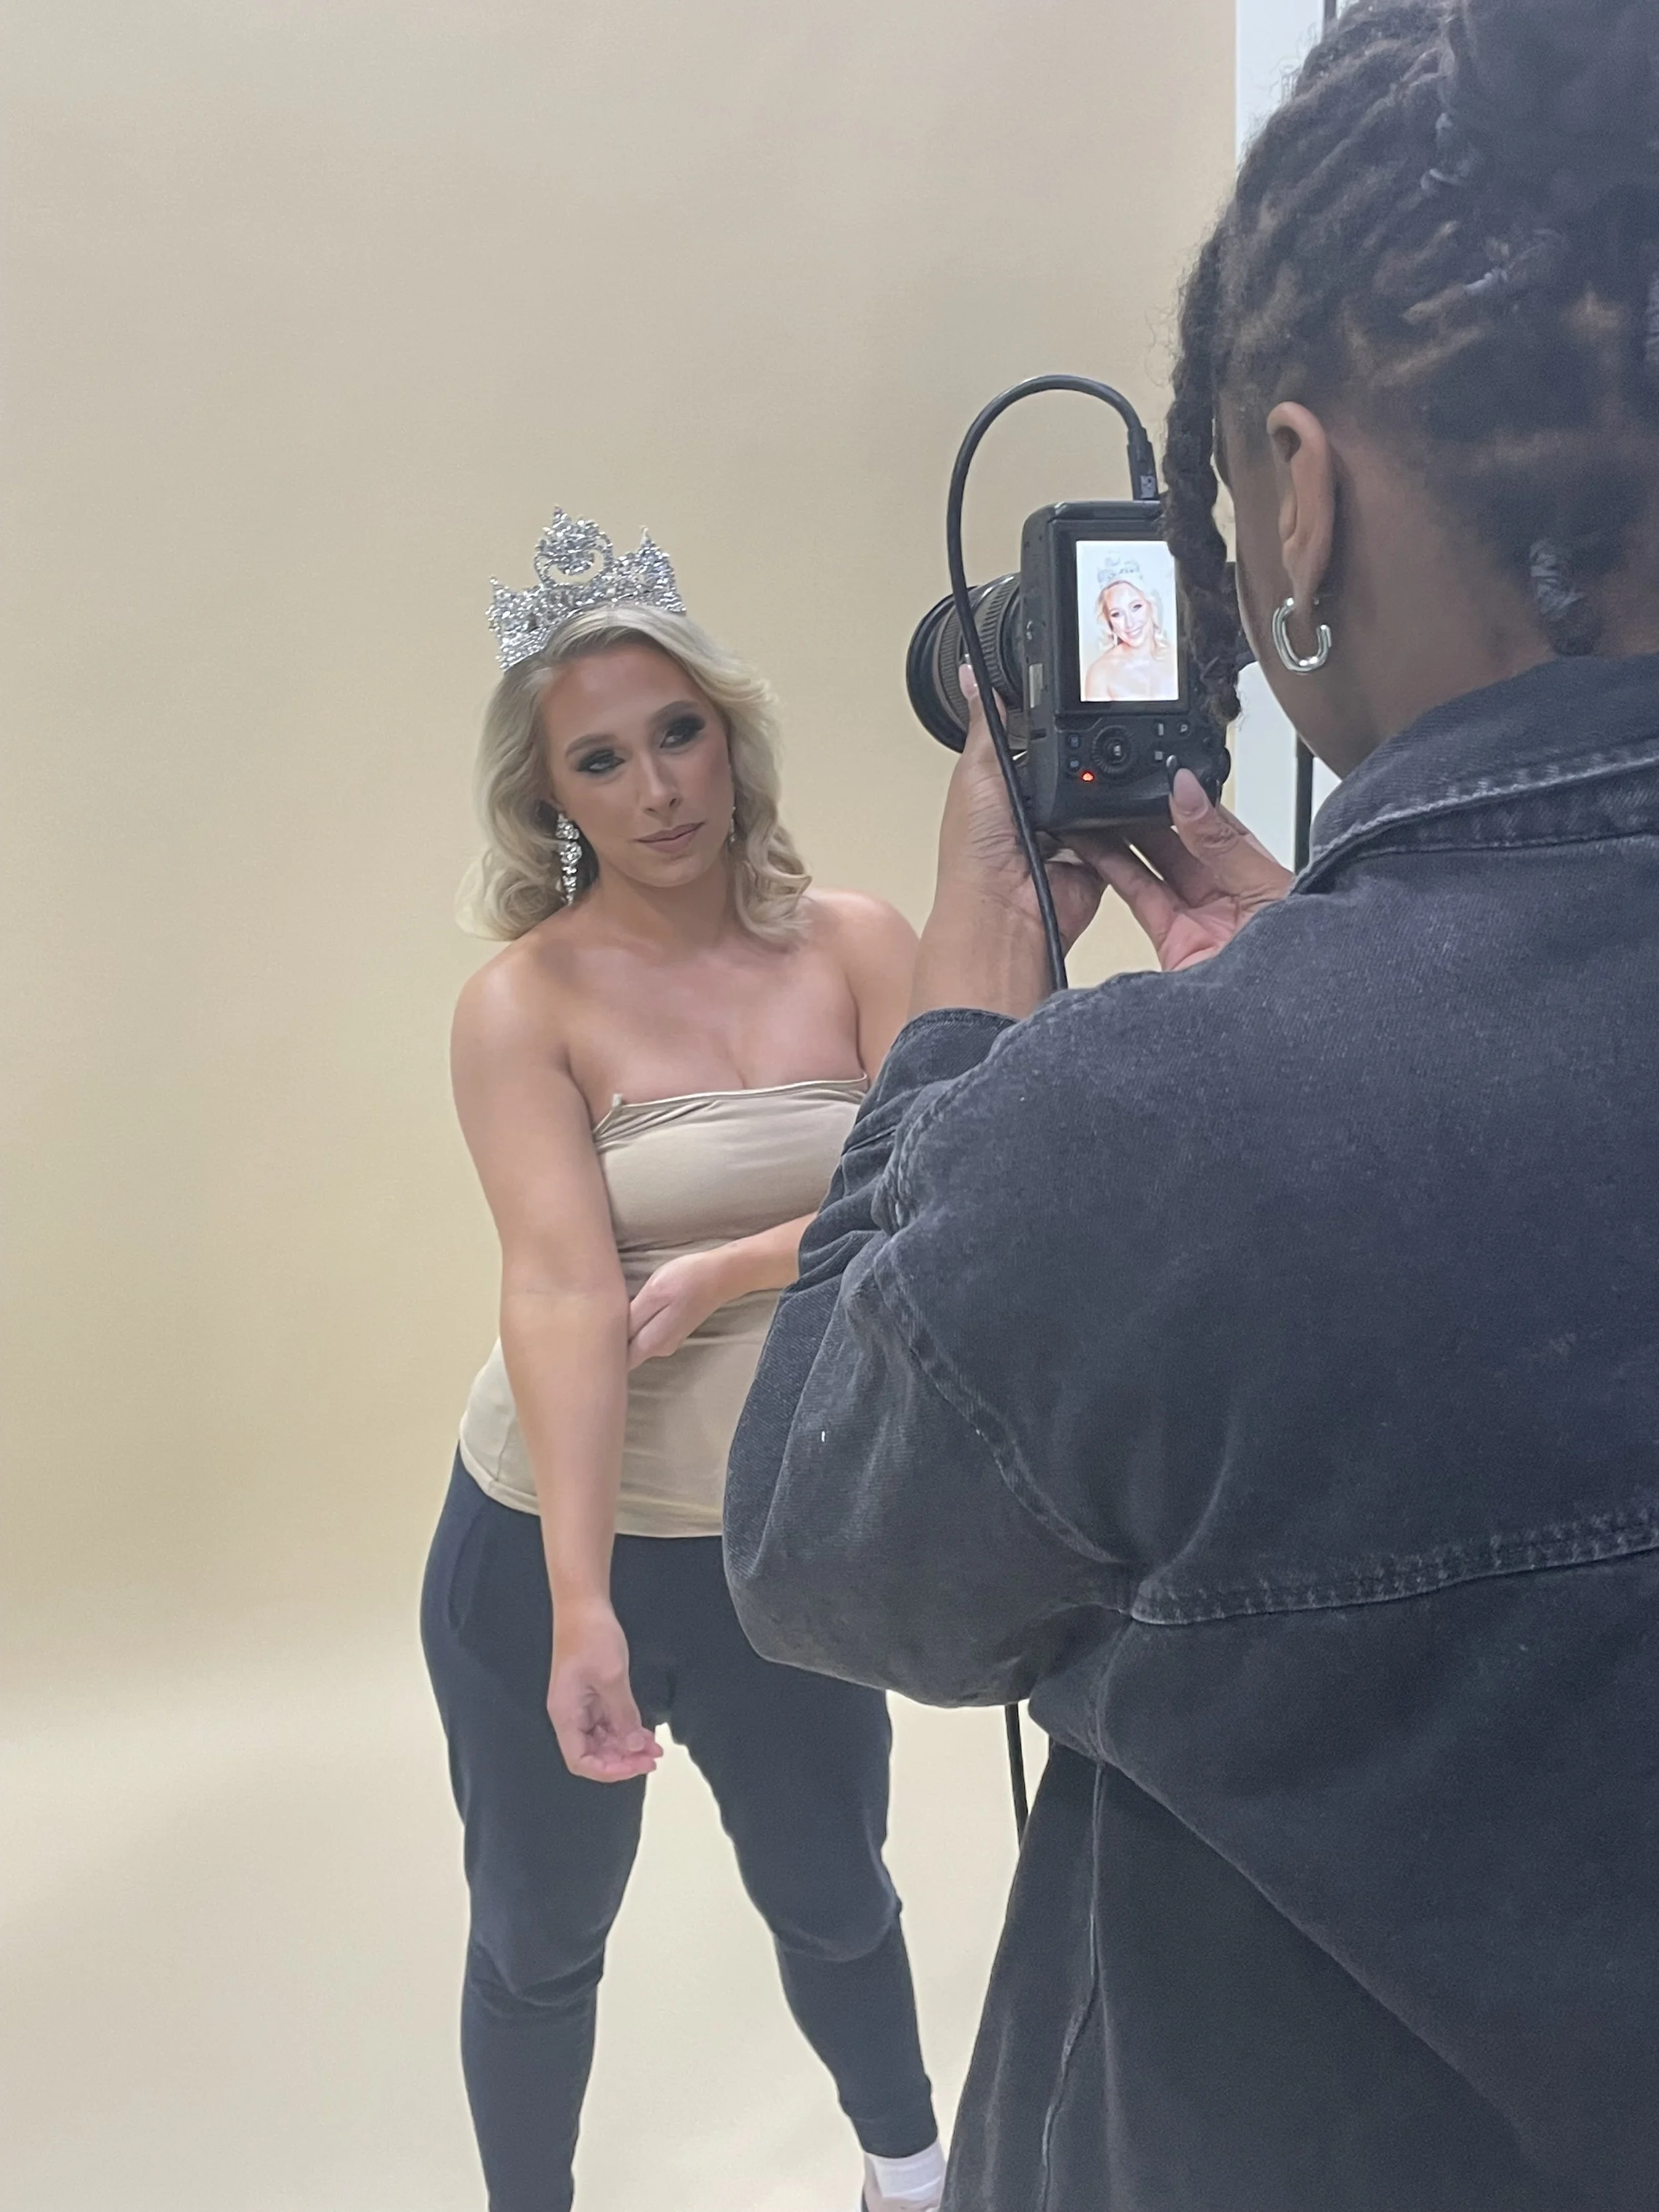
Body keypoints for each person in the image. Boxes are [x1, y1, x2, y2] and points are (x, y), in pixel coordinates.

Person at [724, 3, 1659, 2207]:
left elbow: (822, 1552)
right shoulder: (1204, 1125)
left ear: (1298, 502)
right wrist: (1307, 1002)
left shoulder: (1144, 1147)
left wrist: (967, 1022)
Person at [420, 514, 946, 2212]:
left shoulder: (856, 941)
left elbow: (944, 1185)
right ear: (547, 799)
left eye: (678, 732)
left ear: (731, 734)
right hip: (551, 1544)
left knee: (836, 1895)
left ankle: (912, 2175)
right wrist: (582, 1606)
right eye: (600, 760)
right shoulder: (524, 1003)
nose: (655, 788)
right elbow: (562, 1295)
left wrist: (732, 1264)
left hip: (783, 1534)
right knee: (538, 1938)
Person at [1082, 566, 1179, 700]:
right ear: (1109, 622)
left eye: (1136, 607)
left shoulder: (1178, 659)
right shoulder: (1100, 674)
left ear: (1151, 606)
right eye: (1117, 614)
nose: (1130, 623)